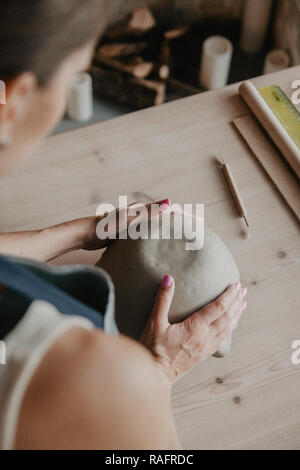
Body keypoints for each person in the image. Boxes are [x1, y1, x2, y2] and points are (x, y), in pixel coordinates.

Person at [0, 1, 247, 450]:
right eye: (76, 72)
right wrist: (160, 372)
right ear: (12, 100)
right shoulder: (92, 378)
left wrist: (79, 233)